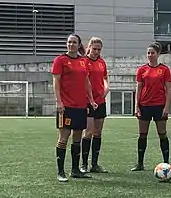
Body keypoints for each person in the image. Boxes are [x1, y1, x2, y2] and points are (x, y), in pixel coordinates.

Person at [52, 34, 97, 182]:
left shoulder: (83, 61)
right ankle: (60, 172)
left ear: (79, 45)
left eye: (74, 42)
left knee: (77, 138)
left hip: (81, 106)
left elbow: (87, 82)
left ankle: (75, 170)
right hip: (66, 107)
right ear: (67, 44)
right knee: (64, 138)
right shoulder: (60, 60)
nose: (71, 44)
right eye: (69, 42)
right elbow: (56, 82)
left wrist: (91, 100)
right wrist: (59, 102)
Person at [131, 42, 171, 171]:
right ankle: (140, 163)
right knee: (143, 134)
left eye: (152, 53)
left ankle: (166, 163)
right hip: (144, 106)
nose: (150, 55)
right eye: (148, 53)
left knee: (162, 134)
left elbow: (168, 90)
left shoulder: (164, 70)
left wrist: (166, 108)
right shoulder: (142, 70)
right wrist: (136, 106)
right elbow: (138, 88)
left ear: (158, 54)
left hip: (159, 105)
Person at [80, 37, 109, 173]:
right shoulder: (84, 62)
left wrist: (107, 87)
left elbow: (105, 78)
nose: (96, 52)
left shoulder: (102, 62)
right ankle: (84, 164)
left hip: (100, 101)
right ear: (89, 47)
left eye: (99, 49)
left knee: (98, 133)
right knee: (89, 132)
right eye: (95, 49)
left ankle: (95, 164)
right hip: (87, 102)